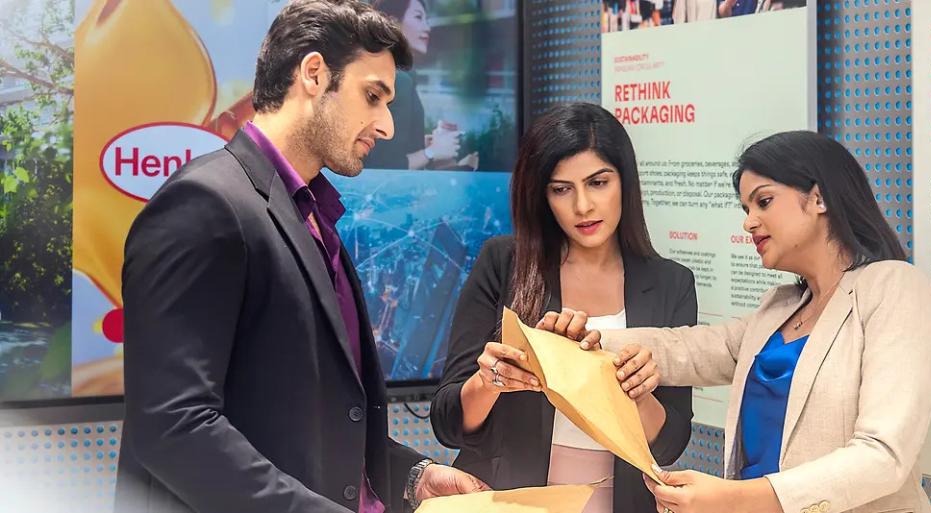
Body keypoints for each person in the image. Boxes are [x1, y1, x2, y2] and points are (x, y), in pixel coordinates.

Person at [115, 2, 488, 512]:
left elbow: (315, 419)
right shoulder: (204, 205)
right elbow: (175, 428)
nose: (387, 126)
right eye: (373, 97)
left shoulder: (314, 212)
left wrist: (413, 477)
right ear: (313, 74)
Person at [540, 131, 931, 513]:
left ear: (818, 198)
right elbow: (686, 349)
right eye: (746, 208)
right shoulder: (780, 306)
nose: (749, 222)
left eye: (763, 202)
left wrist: (735, 498)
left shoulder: (894, 287)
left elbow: (883, 456)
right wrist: (575, 341)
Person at [429, 103, 696, 513]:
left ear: (625, 182)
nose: (583, 206)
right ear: (542, 195)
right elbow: (448, 423)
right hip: (511, 503)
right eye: (561, 189)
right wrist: (491, 381)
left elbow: (672, 441)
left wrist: (635, 393)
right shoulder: (504, 263)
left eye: (598, 182)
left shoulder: (671, 283)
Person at [365, 0, 472, 171]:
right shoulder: (398, 81)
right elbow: (386, 165)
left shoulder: (391, 75)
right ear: (392, 23)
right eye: (418, 17)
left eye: (426, 19)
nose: (427, 27)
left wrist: (424, 142)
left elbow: (383, 148)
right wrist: (433, 151)